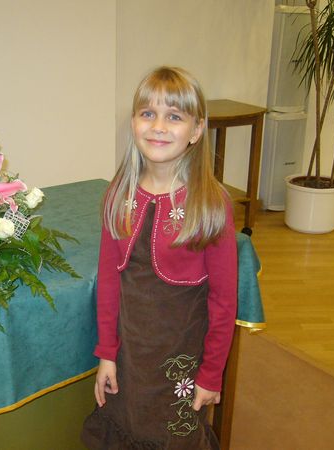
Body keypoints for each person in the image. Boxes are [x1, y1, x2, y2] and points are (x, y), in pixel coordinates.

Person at [81, 66, 237, 450]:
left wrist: (211, 374)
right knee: (126, 423)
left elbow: (224, 300)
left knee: (172, 435)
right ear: (134, 122)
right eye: (148, 113)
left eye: (174, 116)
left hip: (180, 357)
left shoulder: (211, 204)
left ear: (196, 130)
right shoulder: (119, 195)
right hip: (131, 353)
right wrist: (107, 354)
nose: (158, 127)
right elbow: (109, 281)